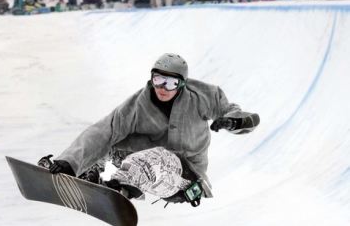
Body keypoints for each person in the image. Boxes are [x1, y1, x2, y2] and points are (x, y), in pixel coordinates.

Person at [39, 53, 260, 207]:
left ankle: (120, 190)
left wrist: (234, 122)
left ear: (182, 84)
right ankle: (89, 173)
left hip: (185, 177)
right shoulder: (138, 104)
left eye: (171, 83)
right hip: (148, 167)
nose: (163, 88)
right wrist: (68, 162)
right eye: (158, 79)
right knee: (111, 139)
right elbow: (104, 130)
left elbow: (235, 112)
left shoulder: (204, 95)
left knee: (157, 157)